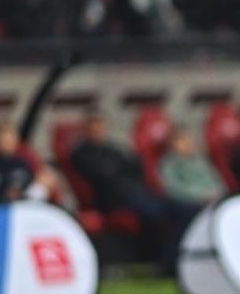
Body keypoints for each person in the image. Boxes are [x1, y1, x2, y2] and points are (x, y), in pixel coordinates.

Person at [70, 112, 198, 270]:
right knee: (157, 214)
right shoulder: (82, 153)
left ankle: (175, 257)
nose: (99, 130)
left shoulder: (113, 149)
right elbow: (101, 176)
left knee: (186, 210)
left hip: (140, 193)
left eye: (101, 126)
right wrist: (118, 168)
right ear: (86, 129)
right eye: (94, 126)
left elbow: (136, 168)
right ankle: (165, 263)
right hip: (114, 199)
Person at [158, 128, 225, 207]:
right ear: (173, 145)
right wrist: (204, 196)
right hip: (190, 204)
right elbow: (174, 189)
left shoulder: (200, 159)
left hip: (214, 200)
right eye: (182, 142)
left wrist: (219, 193)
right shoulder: (169, 164)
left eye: (188, 140)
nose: (187, 143)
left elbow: (215, 179)